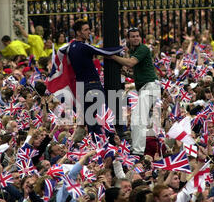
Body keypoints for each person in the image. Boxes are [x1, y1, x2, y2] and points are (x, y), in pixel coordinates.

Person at [67, 19, 123, 141]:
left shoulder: (70, 47)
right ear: (78, 33)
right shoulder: (84, 46)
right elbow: (104, 52)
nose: (89, 32)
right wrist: (121, 48)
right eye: (86, 30)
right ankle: (106, 145)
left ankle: (95, 145)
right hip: (93, 86)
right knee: (102, 117)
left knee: (91, 121)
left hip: (81, 89)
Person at [110, 27, 160, 157]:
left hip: (150, 87)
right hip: (146, 87)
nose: (136, 38)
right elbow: (139, 74)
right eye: (133, 36)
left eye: (137, 36)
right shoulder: (135, 50)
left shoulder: (142, 49)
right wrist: (127, 74)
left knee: (138, 119)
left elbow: (131, 63)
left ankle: (137, 152)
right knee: (137, 120)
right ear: (129, 39)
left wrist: (113, 57)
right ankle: (137, 149)